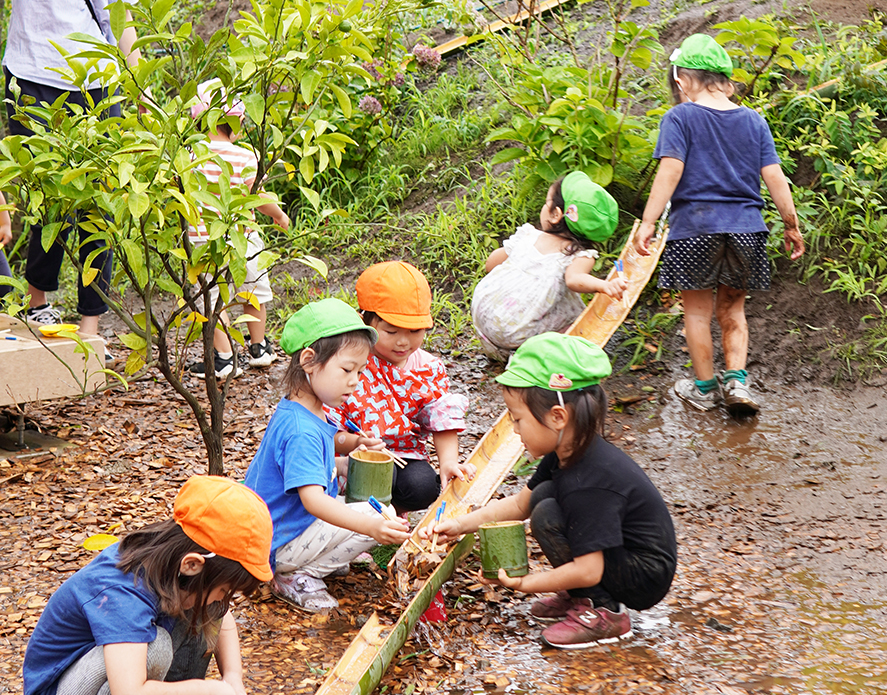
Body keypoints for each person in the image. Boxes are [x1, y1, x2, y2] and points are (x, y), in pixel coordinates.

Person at [22, 476, 271, 695]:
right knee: (157, 648)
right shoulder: (125, 592)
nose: (223, 601)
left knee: (204, 607)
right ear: (192, 564)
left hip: (99, 676)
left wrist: (232, 678)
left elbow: (222, 616)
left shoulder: (172, 567)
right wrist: (208, 692)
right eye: (224, 589)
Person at [435, 335, 677, 651]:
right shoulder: (567, 450)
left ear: (558, 417)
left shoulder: (589, 481)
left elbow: (589, 569)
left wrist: (525, 584)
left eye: (518, 419)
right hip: (620, 555)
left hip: (643, 575)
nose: (515, 429)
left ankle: (604, 612)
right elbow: (520, 505)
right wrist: (459, 525)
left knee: (548, 513)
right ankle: (582, 596)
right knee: (543, 496)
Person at [0, 0, 138, 350]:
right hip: (35, 82)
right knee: (49, 200)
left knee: (101, 204)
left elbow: (121, 16)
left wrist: (138, 82)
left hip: (99, 87)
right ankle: (39, 303)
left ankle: (91, 324)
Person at [637, 34, 803, 416]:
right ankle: (737, 383)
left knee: (697, 312)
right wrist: (791, 225)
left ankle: (704, 389)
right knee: (733, 309)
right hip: (747, 229)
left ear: (682, 80)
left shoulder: (679, 118)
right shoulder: (754, 121)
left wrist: (648, 221)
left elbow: (670, 170)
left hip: (695, 228)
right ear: (726, 80)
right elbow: (775, 177)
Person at [243, 298, 408, 614]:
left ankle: (315, 557)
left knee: (371, 511)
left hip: (277, 530)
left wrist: (345, 463)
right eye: (347, 369)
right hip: (277, 543)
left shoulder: (302, 410)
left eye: (360, 371)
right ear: (308, 361)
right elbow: (313, 501)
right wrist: (370, 528)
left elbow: (305, 468)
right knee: (378, 516)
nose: (355, 381)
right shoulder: (302, 430)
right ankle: (295, 575)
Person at [335, 261, 471, 515]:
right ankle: (360, 521)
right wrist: (357, 442)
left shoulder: (427, 368)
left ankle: (393, 512)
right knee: (369, 475)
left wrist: (449, 462)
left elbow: (440, 417)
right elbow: (329, 423)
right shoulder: (352, 364)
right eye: (391, 331)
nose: (403, 342)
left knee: (422, 486)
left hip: (404, 453)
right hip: (357, 454)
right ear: (365, 322)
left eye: (414, 331)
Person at [186, 80, 291, 382]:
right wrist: (279, 215)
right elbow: (258, 198)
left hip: (203, 240)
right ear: (236, 122)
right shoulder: (245, 156)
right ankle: (259, 348)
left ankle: (223, 357)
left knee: (211, 298)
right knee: (253, 292)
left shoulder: (189, 156)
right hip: (243, 238)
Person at [470, 171, 626, 358]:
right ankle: (531, 356)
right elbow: (575, 279)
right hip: (514, 334)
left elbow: (491, 264)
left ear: (555, 215)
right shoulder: (579, 255)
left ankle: (506, 346)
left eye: (546, 203)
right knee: (576, 319)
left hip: (482, 318)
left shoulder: (528, 236)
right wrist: (604, 285)